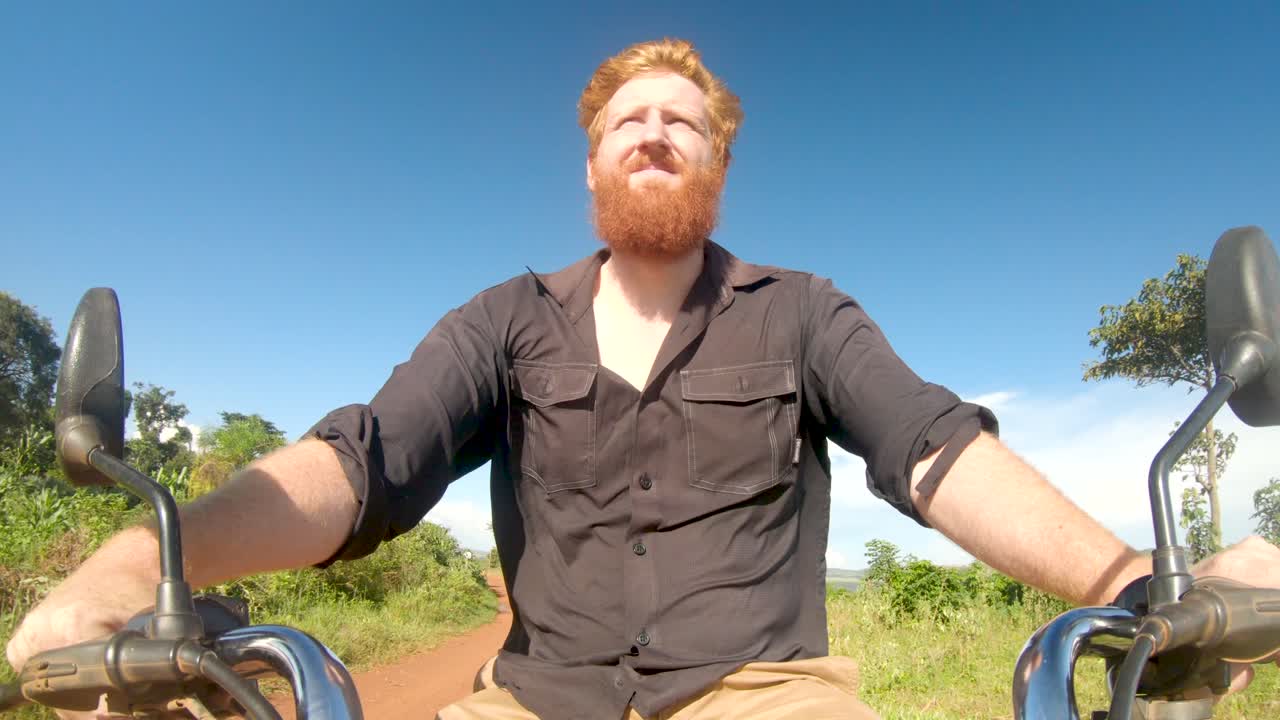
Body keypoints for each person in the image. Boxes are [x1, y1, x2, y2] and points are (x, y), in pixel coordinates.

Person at [8, 38, 1280, 720]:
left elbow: (935, 453)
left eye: (683, 120)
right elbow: (356, 464)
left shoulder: (803, 314)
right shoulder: (503, 323)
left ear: (714, 168)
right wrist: (135, 562)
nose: (655, 130)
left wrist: (1138, 584)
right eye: (628, 120)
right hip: (531, 703)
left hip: (763, 699)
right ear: (592, 166)